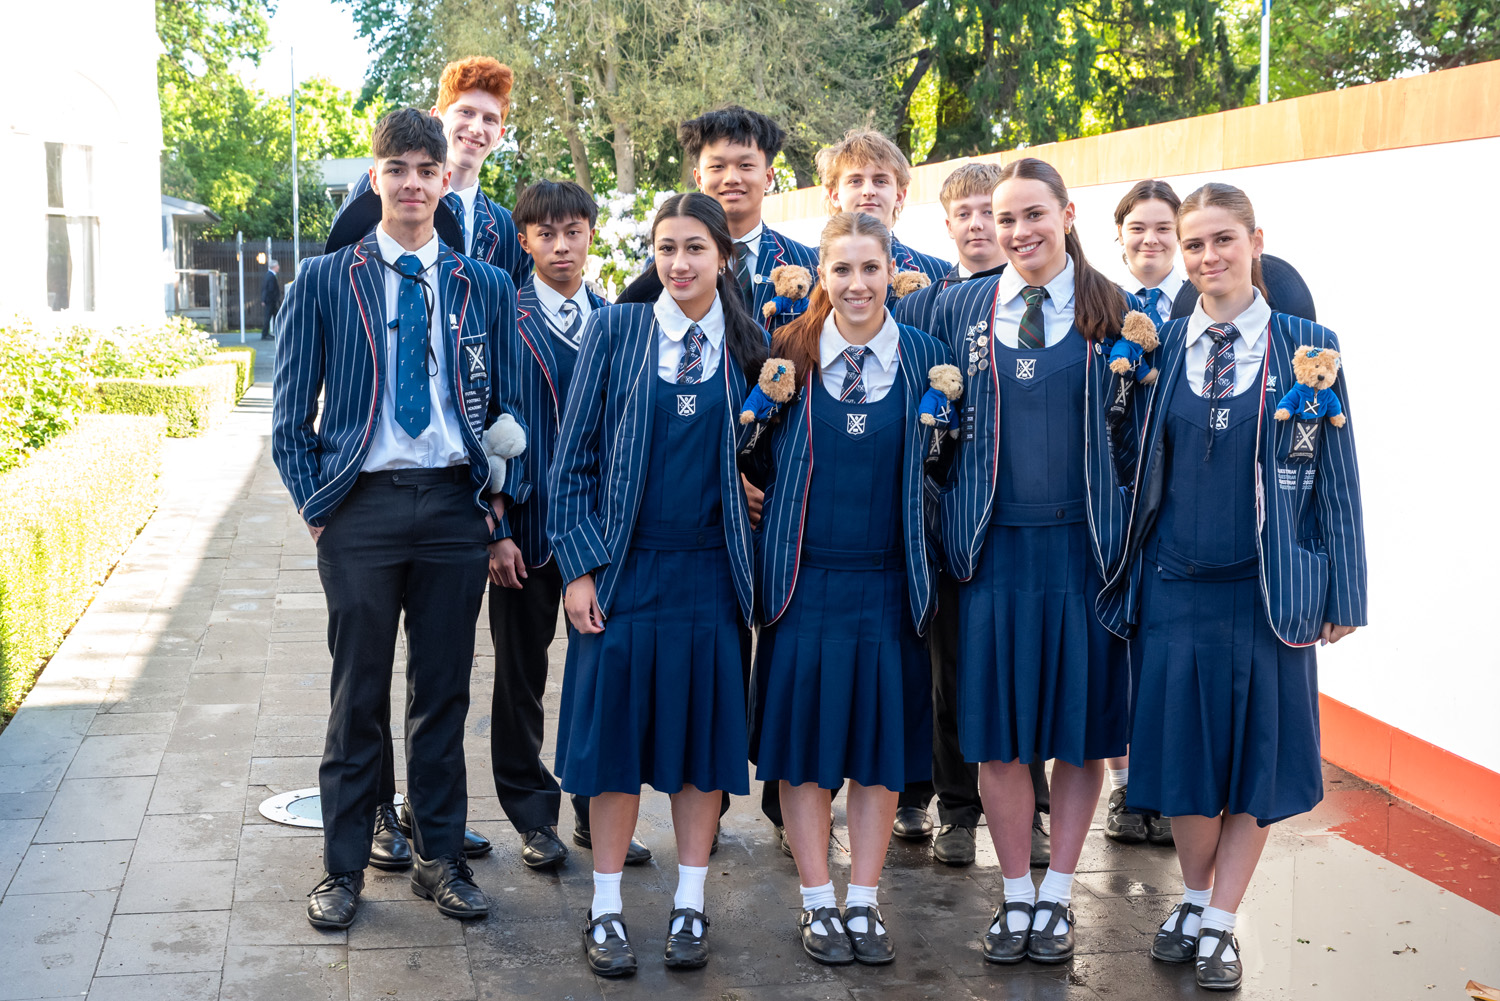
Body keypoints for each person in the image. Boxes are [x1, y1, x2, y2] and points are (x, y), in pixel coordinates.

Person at [1099, 182, 1366, 992]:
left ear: (1255, 241)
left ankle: (1218, 922)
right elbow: (1129, 468)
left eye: (1222, 240)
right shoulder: (1160, 348)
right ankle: (1197, 894)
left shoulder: (1307, 346)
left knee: (1254, 763)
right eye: (1194, 245)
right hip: (1174, 586)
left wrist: (1344, 591)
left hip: (1266, 593)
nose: (1208, 257)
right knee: (1180, 765)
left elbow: (1337, 481)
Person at [271, 108, 522, 930]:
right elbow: (288, 415)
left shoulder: (483, 285)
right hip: (362, 511)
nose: (413, 182)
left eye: (426, 169)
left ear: (445, 180)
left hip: (454, 507)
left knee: (444, 694)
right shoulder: (323, 280)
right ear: (375, 179)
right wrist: (322, 512)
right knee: (357, 696)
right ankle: (342, 866)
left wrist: (495, 508)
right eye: (398, 168)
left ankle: (438, 858)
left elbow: (505, 407)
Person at [548, 192, 765, 976]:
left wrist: (755, 488)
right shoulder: (617, 331)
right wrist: (577, 567)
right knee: (613, 748)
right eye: (666, 248)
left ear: (723, 258)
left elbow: (771, 460)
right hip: (623, 570)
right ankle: (604, 909)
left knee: (699, 750)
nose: (679, 263)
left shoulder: (752, 348)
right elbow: (568, 461)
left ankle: (690, 904)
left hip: (710, 574)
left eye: (695, 249)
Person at [933, 157, 1137, 965]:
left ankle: (1058, 895)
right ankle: (1014, 893)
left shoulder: (1116, 313)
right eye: (1003, 218)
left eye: (1031, 215)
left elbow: (1138, 443)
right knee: (997, 737)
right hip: (993, 553)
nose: (1017, 232)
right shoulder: (959, 309)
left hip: (1083, 556)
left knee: (1078, 735)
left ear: (1067, 214)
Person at [741, 210, 952, 966]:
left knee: (878, 751)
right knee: (804, 754)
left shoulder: (928, 357)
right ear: (821, 276)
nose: (857, 284)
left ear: (890, 270)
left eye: (870, 268)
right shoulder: (787, 356)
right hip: (805, 586)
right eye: (841, 269)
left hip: (892, 585)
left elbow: (946, 467)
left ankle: (863, 898)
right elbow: (747, 448)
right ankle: (816, 900)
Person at [890, 162, 1052, 869]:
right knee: (952, 671)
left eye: (996, 211)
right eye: (968, 214)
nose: (984, 225)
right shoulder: (929, 307)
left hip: (1038, 521)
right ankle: (957, 807)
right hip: (956, 517)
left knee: (1032, 671)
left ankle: (1035, 811)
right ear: (948, 224)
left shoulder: (1055, 300)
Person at [488, 179, 651, 871]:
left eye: (574, 231)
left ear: (591, 235)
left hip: (597, 535)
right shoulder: (503, 318)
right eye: (546, 234)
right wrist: (492, 522)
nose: (561, 246)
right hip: (523, 528)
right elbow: (479, 416)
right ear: (523, 239)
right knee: (519, 677)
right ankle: (532, 815)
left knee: (598, 678)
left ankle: (595, 807)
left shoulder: (616, 320)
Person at [1100, 178, 1188, 848]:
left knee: (1161, 651)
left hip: (1177, 500)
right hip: (1113, 498)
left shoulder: (1198, 310)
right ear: (1120, 235)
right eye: (1139, 229)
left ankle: (1163, 779)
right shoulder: (1102, 310)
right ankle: (1127, 783)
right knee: (1116, 648)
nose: (1151, 241)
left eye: (1164, 228)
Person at [330, 56, 531, 289]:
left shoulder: (509, 229)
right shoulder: (375, 191)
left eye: (489, 119)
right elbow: (336, 270)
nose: (476, 128)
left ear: (500, 135)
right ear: (437, 117)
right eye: (466, 112)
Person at [679, 105, 820, 330]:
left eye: (745, 165)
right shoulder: (671, 266)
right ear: (699, 179)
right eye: (717, 166)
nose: (731, 178)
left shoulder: (808, 263)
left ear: (767, 176)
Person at [816, 129, 951, 288]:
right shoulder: (807, 267)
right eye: (855, 181)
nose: (868, 191)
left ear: (899, 196)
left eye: (880, 181)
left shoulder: (939, 274)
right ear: (835, 195)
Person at [260, 259, 281, 340]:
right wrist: (275, 299)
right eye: (277, 266)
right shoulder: (271, 276)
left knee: (274, 316)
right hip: (271, 301)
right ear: (274, 267)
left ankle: (271, 332)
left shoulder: (268, 275)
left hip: (270, 300)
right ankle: (265, 334)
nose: (278, 267)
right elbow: (270, 289)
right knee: (269, 317)